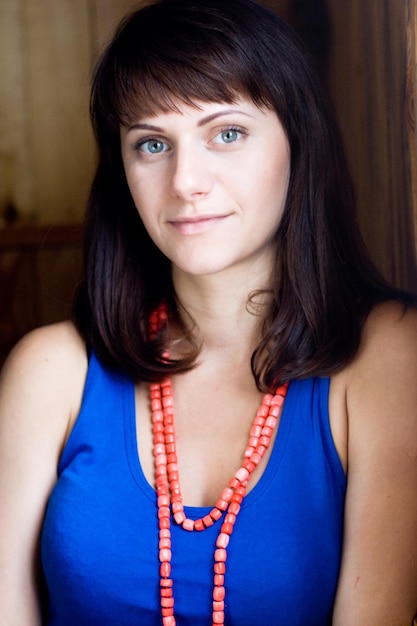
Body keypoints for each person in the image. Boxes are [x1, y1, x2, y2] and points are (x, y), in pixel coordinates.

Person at [1, 0, 417, 624]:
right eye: (151, 143)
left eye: (227, 133)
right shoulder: (50, 370)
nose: (185, 181)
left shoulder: (388, 356)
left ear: (298, 143)